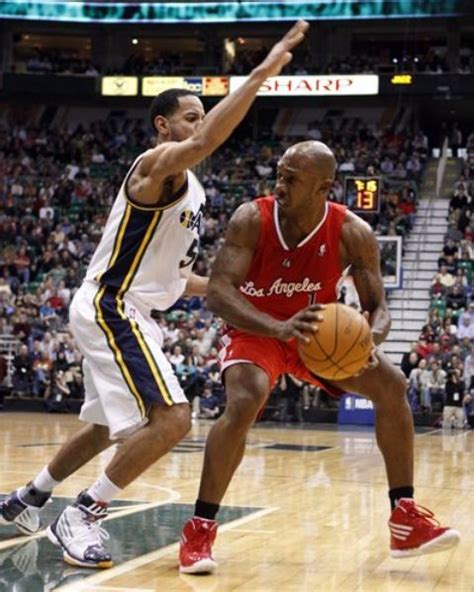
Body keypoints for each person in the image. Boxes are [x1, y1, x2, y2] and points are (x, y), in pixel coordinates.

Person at [0, 20, 310, 568]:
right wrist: (261, 73)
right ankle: (84, 513)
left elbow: (175, 279)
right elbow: (205, 142)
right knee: (172, 419)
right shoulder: (153, 166)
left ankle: (28, 498)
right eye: (190, 116)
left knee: (103, 427)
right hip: (111, 306)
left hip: (126, 307)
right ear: (163, 125)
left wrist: (243, 296)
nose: (199, 124)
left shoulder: (193, 190)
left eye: (201, 115)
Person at [179, 140, 460, 574]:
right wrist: (276, 327)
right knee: (246, 398)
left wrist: (370, 339)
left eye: (292, 179)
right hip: (257, 329)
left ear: (323, 187)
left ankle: (404, 517)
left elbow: (379, 308)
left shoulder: (352, 232)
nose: (280, 184)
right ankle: (200, 528)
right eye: (280, 174)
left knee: (393, 385)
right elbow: (218, 292)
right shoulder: (251, 218)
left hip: (315, 335)